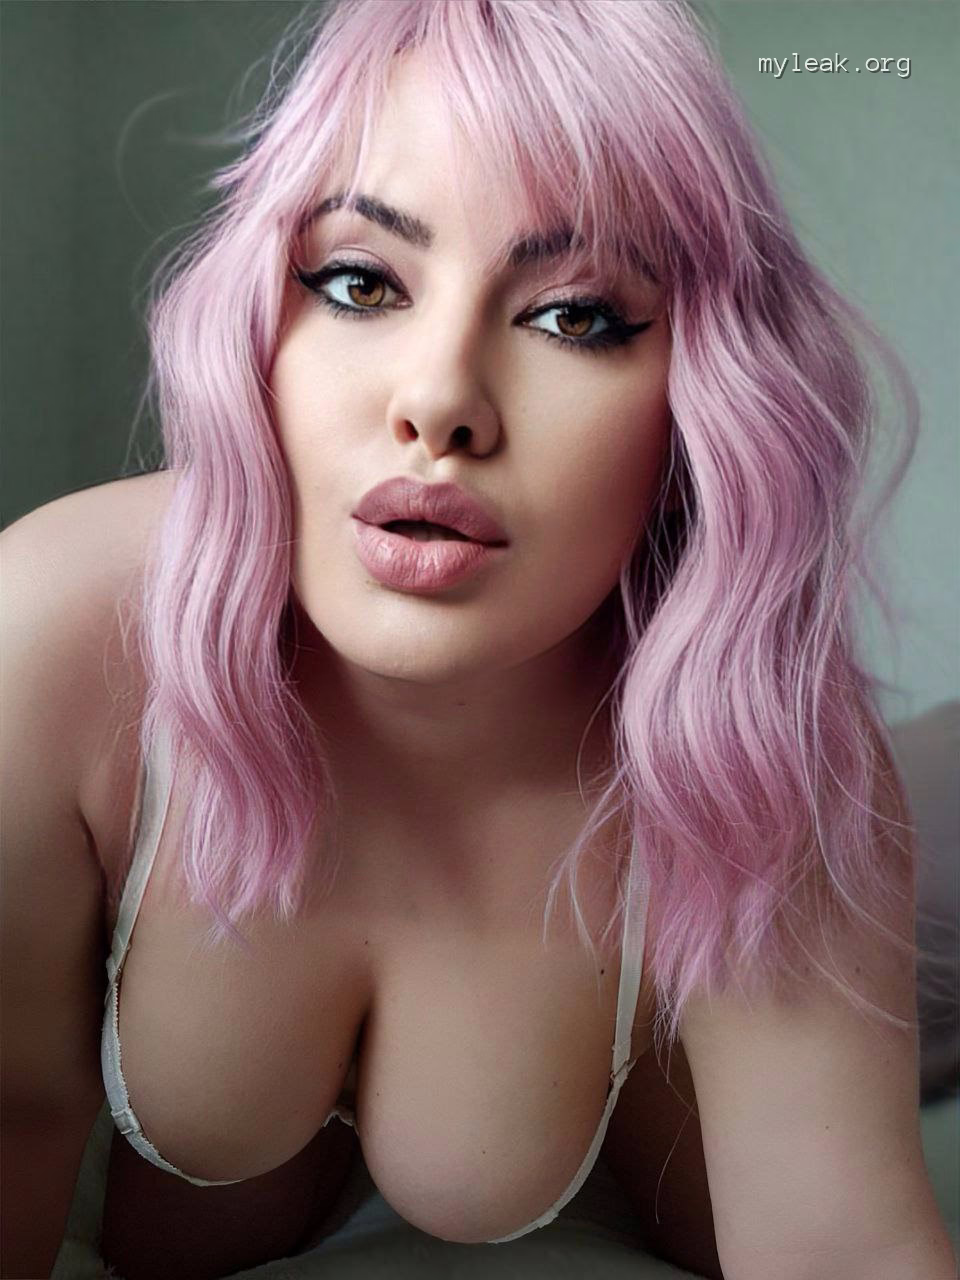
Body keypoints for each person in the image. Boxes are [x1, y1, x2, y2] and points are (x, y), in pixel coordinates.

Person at [2, 2, 954, 1278]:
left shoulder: (782, 759)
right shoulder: (51, 631)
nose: (440, 399)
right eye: (360, 282)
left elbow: (844, 1244)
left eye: (575, 316)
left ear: (703, 402)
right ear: (259, 325)